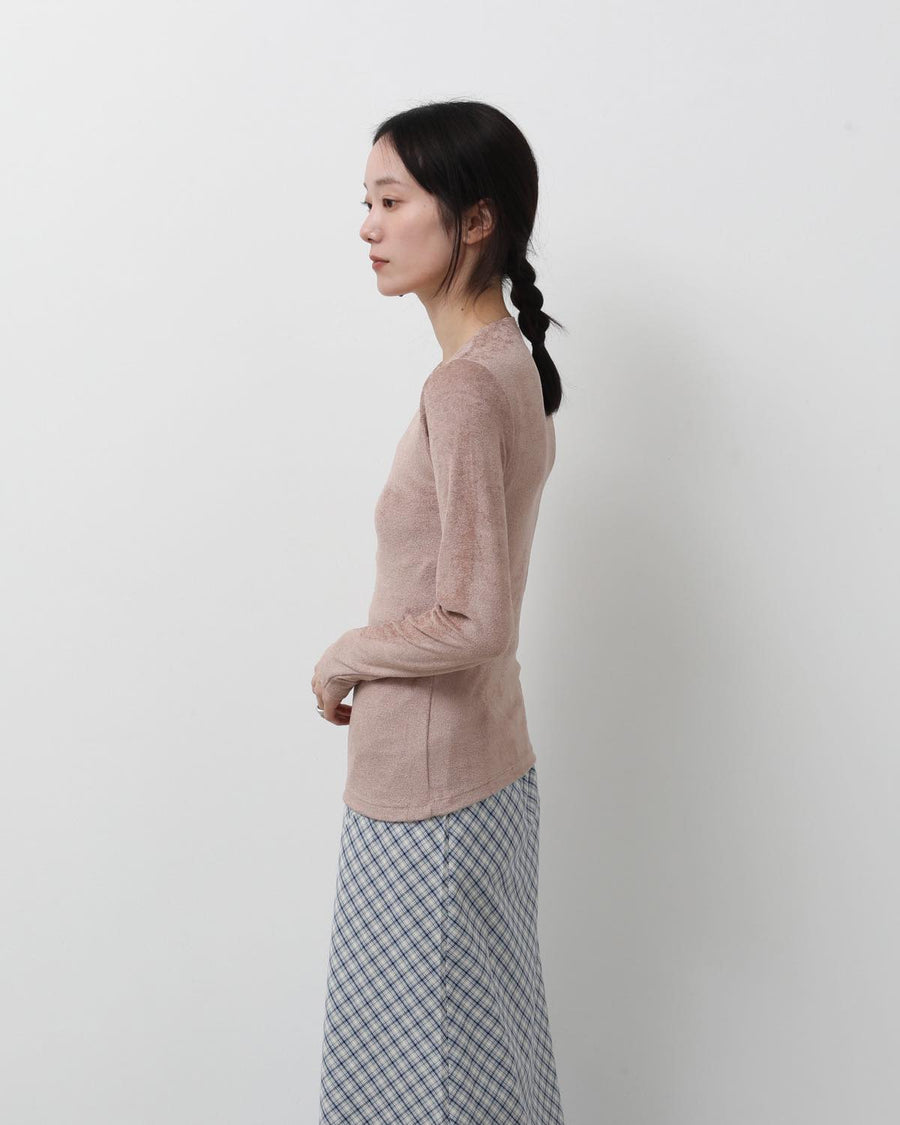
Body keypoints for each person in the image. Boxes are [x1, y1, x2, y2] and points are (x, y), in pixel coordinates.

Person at [313, 99, 567, 1124]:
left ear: (475, 220)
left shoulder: (464, 390)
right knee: (489, 1062)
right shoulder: (510, 363)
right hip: (486, 770)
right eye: (367, 202)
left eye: (391, 202)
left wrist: (347, 652)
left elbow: (474, 619)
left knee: (419, 1088)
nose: (367, 227)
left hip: (425, 795)